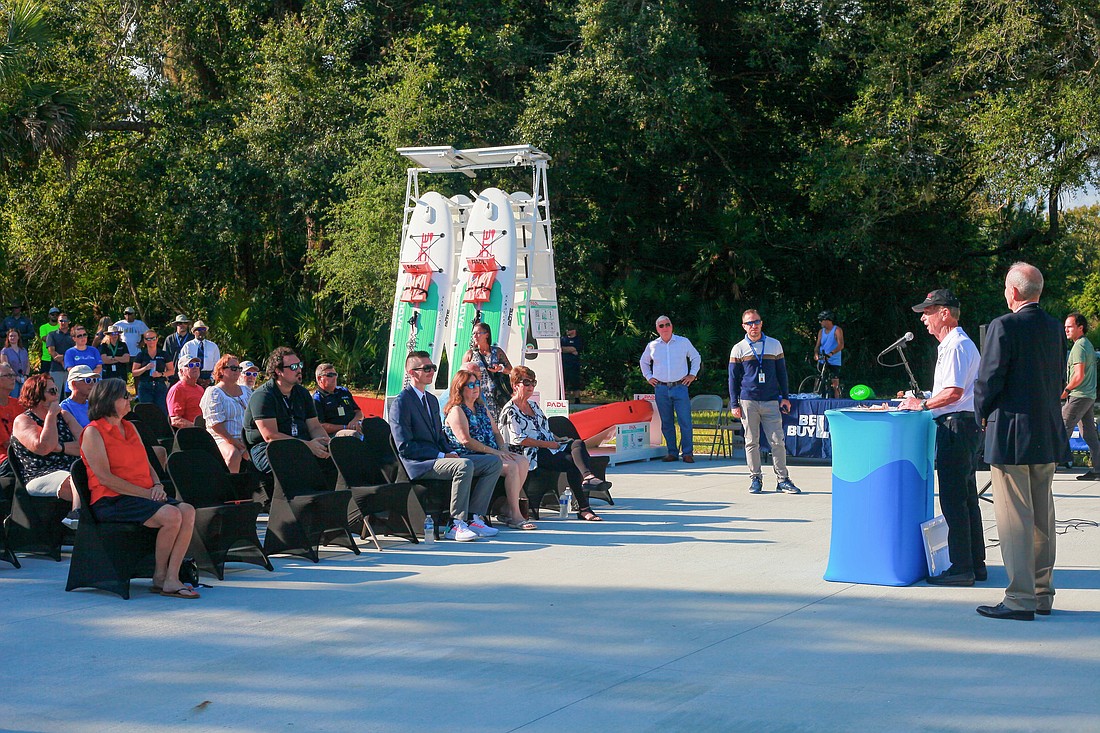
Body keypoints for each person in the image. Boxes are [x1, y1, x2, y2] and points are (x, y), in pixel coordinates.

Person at [974, 262, 1068, 621]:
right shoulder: (1054, 327)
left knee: (1015, 519)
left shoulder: (1004, 325)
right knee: (1043, 515)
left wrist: (980, 413)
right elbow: (1057, 377)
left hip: (1012, 432)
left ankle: (1019, 598)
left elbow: (989, 380)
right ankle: (1043, 594)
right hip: (1046, 429)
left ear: (1013, 292)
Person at [79, 378, 199, 599]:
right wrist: (148, 494)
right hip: (112, 499)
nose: (129, 399)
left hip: (142, 495)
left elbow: (147, 464)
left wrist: (156, 485)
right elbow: (105, 479)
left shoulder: (130, 426)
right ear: (108, 400)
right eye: (124, 396)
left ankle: (172, 577)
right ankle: (161, 576)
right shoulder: (93, 432)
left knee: (188, 510)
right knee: (171, 515)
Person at [900, 289, 984, 586]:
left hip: (956, 426)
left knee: (953, 499)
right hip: (961, 425)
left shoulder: (956, 345)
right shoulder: (955, 344)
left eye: (928, 311)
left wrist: (921, 404)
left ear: (945, 313)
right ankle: (975, 563)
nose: (924, 318)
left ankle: (962, 567)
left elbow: (954, 393)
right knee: (965, 497)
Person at [388, 351, 502, 541]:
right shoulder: (402, 403)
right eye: (426, 368)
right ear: (411, 372)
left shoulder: (431, 400)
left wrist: (449, 451)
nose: (431, 371)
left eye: (433, 368)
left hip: (439, 456)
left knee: (493, 462)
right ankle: (455, 523)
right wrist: (441, 456)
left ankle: (474, 517)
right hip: (419, 463)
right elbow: (405, 447)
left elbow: (439, 435)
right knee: (464, 466)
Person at [499, 366, 608, 521]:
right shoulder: (511, 410)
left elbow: (544, 429)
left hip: (548, 447)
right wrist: (550, 445)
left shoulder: (534, 406)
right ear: (515, 385)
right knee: (572, 462)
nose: (531, 387)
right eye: (527, 383)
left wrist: (558, 439)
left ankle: (587, 477)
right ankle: (584, 506)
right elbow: (519, 440)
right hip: (529, 453)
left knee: (576, 443)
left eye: (533, 383)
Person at [444, 369, 535, 530]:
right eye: (470, 385)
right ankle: (515, 515)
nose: (475, 388)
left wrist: (502, 448)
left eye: (477, 383)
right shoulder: (457, 410)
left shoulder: (481, 408)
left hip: (492, 452)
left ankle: (506, 507)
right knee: (512, 467)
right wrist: (495, 452)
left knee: (522, 461)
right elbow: (466, 441)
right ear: (460, 388)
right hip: (470, 455)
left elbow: (496, 432)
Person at [729, 309, 801, 494]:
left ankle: (783, 479)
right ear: (743, 326)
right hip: (748, 401)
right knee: (751, 441)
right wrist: (734, 404)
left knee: (777, 441)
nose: (754, 326)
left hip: (770, 400)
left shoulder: (774, 344)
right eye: (749, 323)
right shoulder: (738, 348)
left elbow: (781, 373)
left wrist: (785, 397)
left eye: (757, 322)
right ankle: (755, 478)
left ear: (761, 323)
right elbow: (732, 378)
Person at [242, 346, 331, 476]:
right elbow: (270, 436)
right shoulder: (263, 396)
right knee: (299, 460)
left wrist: (323, 442)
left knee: (335, 457)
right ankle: (296, 496)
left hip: (301, 441)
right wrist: (307, 446)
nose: (299, 370)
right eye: (293, 367)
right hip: (268, 449)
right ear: (278, 371)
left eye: (299, 365)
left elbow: (315, 427)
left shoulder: (302, 393)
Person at [9, 373, 83, 527]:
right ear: (37, 394)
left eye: (57, 390)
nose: (57, 395)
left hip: (71, 468)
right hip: (40, 475)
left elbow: (85, 445)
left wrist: (60, 448)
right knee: (75, 479)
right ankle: (76, 514)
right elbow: (43, 447)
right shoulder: (23, 420)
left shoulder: (64, 416)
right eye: (52, 391)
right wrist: (50, 416)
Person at [639, 316, 701, 463]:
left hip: (680, 387)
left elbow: (696, 357)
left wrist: (692, 375)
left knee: (685, 421)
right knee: (666, 423)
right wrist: (648, 376)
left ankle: (687, 453)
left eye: (667, 324)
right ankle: (672, 452)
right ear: (657, 329)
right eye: (661, 326)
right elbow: (643, 362)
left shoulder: (683, 342)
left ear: (672, 326)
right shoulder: (652, 345)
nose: (665, 328)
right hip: (661, 388)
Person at [1061, 312, 1100, 481]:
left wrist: (1066, 390)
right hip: (1088, 395)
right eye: (1065, 327)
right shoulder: (1087, 344)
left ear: (1080, 327)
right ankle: (1098, 470)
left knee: (1061, 428)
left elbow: (1079, 375)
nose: (1066, 330)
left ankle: (1046, 470)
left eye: (1070, 327)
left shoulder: (1079, 347)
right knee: (1089, 435)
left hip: (1078, 395)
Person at [200, 354, 252, 472]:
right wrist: (234, 442)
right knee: (233, 454)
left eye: (239, 368)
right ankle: (232, 486)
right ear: (221, 370)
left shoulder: (246, 391)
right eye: (233, 368)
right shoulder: (214, 392)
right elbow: (215, 425)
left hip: (245, 437)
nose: (237, 371)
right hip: (221, 438)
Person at [463, 322, 512, 421]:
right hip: (477, 395)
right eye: (473, 334)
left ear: (487, 335)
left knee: (498, 424)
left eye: (478, 333)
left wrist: (500, 368)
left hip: (496, 396)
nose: (475, 336)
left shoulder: (497, 352)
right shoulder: (470, 354)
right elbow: (462, 375)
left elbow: (510, 370)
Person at [312, 364, 363, 437]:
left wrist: (355, 421)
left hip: (354, 426)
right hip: (335, 434)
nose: (334, 377)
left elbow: (358, 412)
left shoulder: (343, 391)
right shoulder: (317, 398)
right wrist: (346, 427)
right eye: (330, 375)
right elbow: (320, 426)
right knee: (353, 435)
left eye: (335, 374)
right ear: (320, 378)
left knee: (376, 424)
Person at [133, 329, 173, 415]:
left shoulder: (163, 354)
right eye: (148, 339)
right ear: (145, 341)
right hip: (145, 386)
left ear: (157, 339)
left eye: (153, 338)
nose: (151, 341)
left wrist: (161, 374)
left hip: (160, 385)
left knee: (162, 412)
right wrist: (145, 368)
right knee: (146, 413)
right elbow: (134, 372)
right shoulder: (141, 355)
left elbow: (171, 371)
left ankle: (162, 428)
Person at [178, 320, 220, 386]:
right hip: (192, 376)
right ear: (194, 332)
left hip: (209, 378)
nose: (201, 332)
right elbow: (182, 364)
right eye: (199, 329)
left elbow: (217, 364)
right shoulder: (188, 346)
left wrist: (211, 379)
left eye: (203, 329)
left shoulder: (213, 346)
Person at [167, 355, 204, 429]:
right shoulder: (177, 390)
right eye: (190, 365)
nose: (195, 367)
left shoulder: (200, 389)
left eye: (197, 364)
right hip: (190, 433)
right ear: (181, 371)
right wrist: (196, 428)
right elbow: (175, 420)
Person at [814, 310, 844, 398]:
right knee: (818, 378)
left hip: (834, 359)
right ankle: (817, 395)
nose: (820, 322)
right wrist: (816, 353)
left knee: (835, 383)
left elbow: (841, 345)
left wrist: (831, 353)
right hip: (823, 359)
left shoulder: (837, 330)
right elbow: (817, 345)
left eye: (821, 320)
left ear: (827, 320)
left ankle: (837, 400)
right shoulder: (821, 332)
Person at [60, 364, 99, 429]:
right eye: (88, 380)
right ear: (74, 383)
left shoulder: (94, 405)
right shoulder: (65, 407)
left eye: (94, 380)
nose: (92, 384)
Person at [44, 312, 74, 396]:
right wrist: (62, 362)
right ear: (58, 321)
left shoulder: (73, 336)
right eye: (61, 321)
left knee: (69, 396)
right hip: (56, 369)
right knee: (54, 394)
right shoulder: (52, 335)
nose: (63, 323)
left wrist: (64, 358)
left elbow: (76, 351)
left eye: (65, 320)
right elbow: (52, 351)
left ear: (68, 322)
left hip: (71, 370)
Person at [0, 363, 24, 464]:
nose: (13, 378)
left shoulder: (19, 405)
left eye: (13, 375)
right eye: (8, 375)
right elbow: (7, 443)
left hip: (21, 454)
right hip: (5, 460)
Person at [163, 315, 192, 385]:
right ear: (176, 325)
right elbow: (165, 356)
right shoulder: (169, 339)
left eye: (185, 323)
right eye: (179, 323)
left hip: (188, 373)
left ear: (187, 325)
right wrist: (165, 372)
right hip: (172, 374)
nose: (182, 325)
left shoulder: (192, 339)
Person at [1, 328, 29, 398]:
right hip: (12, 379)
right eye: (11, 336)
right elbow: (5, 366)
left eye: (14, 336)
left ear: (18, 337)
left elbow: (27, 365)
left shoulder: (23, 350)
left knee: (23, 399)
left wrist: (26, 375)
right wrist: (16, 377)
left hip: (23, 378)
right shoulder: (5, 351)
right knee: (14, 398)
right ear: (8, 338)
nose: (12, 338)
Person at [560, 325, 583, 401]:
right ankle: (562, 398)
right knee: (563, 381)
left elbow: (575, 348)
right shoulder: (563, 339)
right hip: (564, 363)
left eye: (569, 330)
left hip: (574, 364)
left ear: (574, 330)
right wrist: (570, 350)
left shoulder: (578, 339)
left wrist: (569, 349)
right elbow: (561, 349)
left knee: (575, 381)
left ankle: (577, 398)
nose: (567, 331)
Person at [37, 307, 60, 374]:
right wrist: (58, 337)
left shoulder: (61, 326)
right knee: (44, 380)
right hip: (46, 358)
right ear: (49, 316)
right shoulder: (43, 327)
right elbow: (44, 338)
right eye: (53, 314)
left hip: (59, 357)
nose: (55, 316)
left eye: (57, 314)